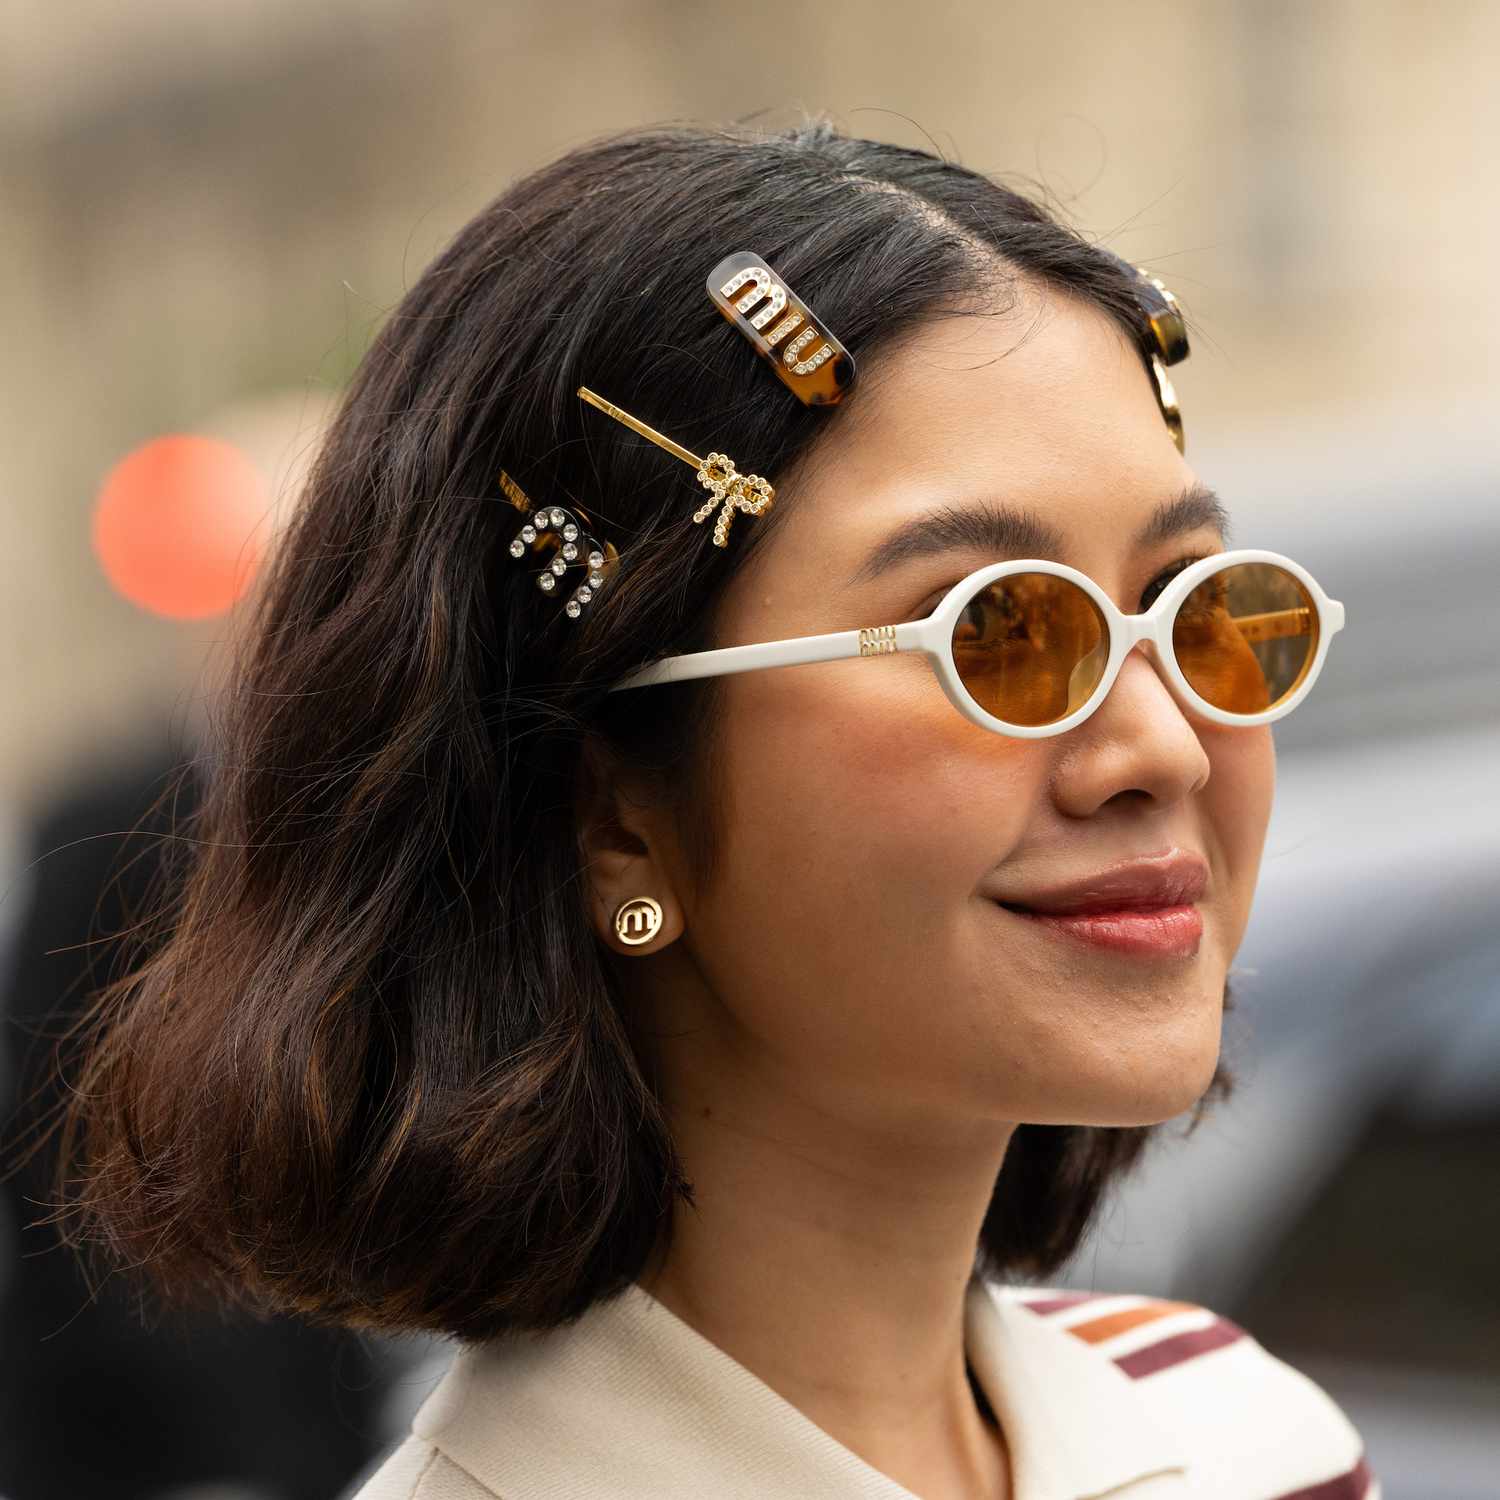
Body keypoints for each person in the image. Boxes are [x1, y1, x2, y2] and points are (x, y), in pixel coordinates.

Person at [29, 114, 1379, 1499]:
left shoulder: (1248, 1437)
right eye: (997, 632)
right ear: (611, 805)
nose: (1164, 743)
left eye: (1196, 604)